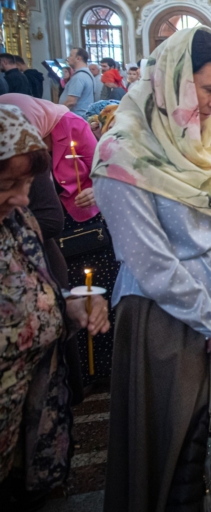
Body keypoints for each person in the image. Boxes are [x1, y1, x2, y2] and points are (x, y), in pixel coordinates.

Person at [92, 27, 211, 511]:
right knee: (168, 450)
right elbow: (150, 260)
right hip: (164, 321)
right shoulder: (122, 153)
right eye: (208, 89)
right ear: (173, 81)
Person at [0, 105, 109, 509]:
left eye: (28, 183)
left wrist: (70, 305)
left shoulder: (18, 220)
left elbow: (31, 291)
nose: (23, 197)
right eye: (8, 184)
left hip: (36, 421)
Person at [60, 48, 95, 117]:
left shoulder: (79, 77)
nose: (68, 58)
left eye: (71, 55)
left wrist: (57, 113)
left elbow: (71, 102)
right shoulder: (88, 73)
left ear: (78, 58)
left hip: (77, 117)